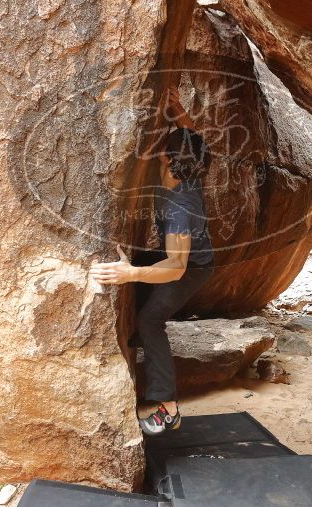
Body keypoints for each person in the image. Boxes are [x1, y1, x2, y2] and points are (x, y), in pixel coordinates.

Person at [90, 87, 214, 436]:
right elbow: (196, 139)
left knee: (150, 319)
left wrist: (130, 274)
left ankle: (167, 407)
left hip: (191, 268)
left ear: (172, 163)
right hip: (177, 256)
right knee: (142, 264)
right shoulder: (192, 168)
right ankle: (134, 337)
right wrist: (177, 109)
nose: (159, 152)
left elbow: (176, 266)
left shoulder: (179, 208)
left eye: (164, 152)